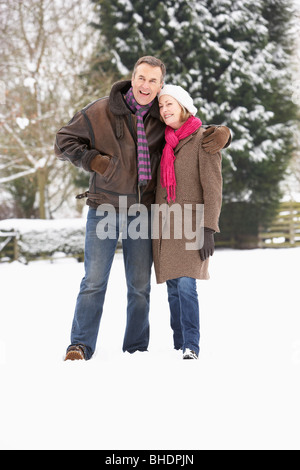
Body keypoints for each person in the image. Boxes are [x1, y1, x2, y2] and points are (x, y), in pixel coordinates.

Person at [54, 56, 231, 361]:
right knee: (94, 280)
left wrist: (222, 134)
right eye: (141, 78)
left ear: (161, 85)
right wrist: (93, 160)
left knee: (139, 286)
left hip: (142, 212)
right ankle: (80, 345)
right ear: (132, 78)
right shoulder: (101, 110)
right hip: (105, 207)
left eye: (153, 81)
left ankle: (135, 349)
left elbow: (190, 128)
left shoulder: (161, 117)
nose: (145, 85)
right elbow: (62, 141)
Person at [153, 84, 226, 360]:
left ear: (183, 106)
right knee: (173, 286)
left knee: (186, 284)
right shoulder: (165, 140)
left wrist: (209, 228)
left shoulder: (203, 139)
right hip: (166, 224)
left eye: (169, 104)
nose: (164, 110)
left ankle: (191, 345)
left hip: (192, 225)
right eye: (161, 106)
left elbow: (213, 187)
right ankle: (178, 342)